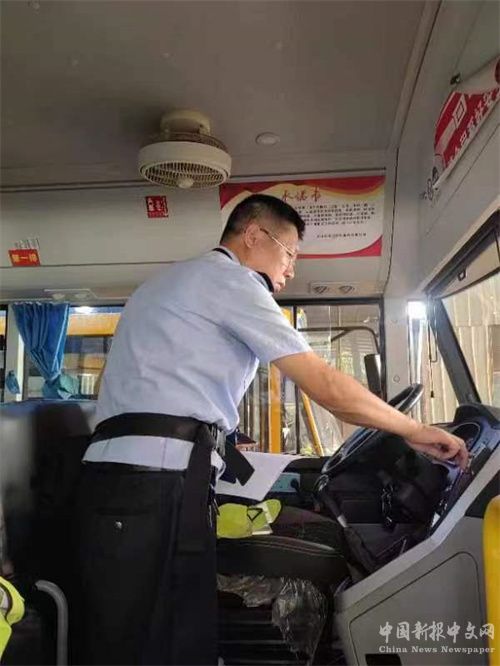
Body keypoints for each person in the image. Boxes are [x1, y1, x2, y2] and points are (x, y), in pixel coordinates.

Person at [74, 193, 468, 666]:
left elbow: (154, 388)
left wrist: (219, 441)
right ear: (253, 235)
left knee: (136, 629)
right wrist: (412, 429)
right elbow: (324, 384)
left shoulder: (172, 281)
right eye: (290, 253)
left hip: (127, 479)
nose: (291, 270)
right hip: (155, 482)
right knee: (165, 636)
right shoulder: (233, 281)